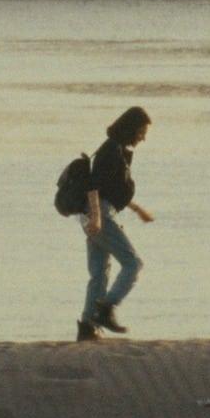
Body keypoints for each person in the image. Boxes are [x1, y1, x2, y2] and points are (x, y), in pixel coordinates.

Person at [76, 106, 154, 343]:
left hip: (95, 213)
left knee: (99, 272)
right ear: (131, 128)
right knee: (133, 264)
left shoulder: (116, 149)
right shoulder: (111, 150)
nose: (143, 137)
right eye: (141, 131)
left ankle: (88, 328)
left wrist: (137, 209)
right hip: (98, 213)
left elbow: (112, 189)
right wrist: (97, 217)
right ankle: (106, 308)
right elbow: (94, 186)